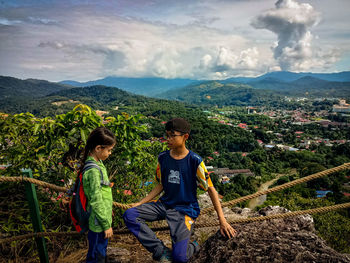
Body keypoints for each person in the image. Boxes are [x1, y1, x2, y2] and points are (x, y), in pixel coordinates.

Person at [123, 118, 236, 263]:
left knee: (180, 259)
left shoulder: (195, 160)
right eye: (167, 135)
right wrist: (140, 203)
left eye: (172, 135)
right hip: (164, 205)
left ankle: (193, 246)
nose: (168, 139)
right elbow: (161, 184)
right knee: (130, 215)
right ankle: (160, 250)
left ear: (185, 137)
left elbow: (211, 189)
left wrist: (222, 220)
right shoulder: (163, 158)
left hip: (184, 210)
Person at [81, 127, 116, 263]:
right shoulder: (93, 171)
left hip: (101, 217)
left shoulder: (97, 162)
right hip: (98, 222)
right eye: (108, 150)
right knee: (97, 253)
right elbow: (96, 199)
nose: (110, 153)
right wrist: (106, 224)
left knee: (100, 250)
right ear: (98, 148)